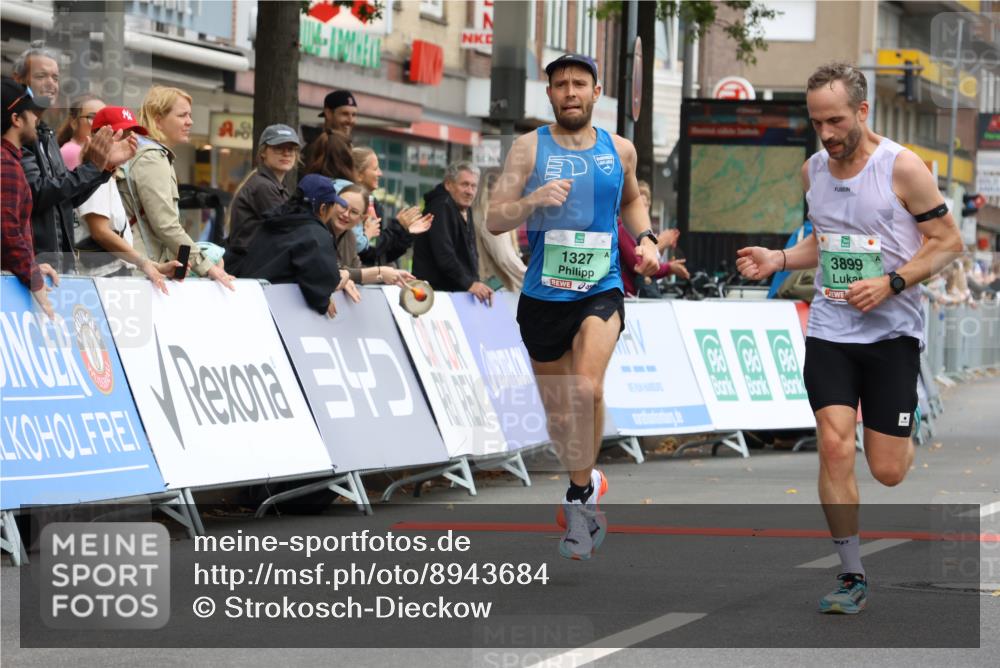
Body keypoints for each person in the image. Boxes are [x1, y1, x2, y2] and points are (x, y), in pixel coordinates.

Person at [735, 63, 963, 613]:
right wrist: (780, 258)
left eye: (836, 120)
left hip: (892, 334)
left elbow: (948, 241)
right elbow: (824, 240)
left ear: (863, 111)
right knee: (835, 445)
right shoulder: (815, 170)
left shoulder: (903, 168)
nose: (828, 133)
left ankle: (904, 423)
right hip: (832, 329)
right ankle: (851, 574)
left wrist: (891, 282)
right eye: (818, 123)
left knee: (887, 469)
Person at [487, 53, 659, 560]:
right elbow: (495, 219)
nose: (569, 92)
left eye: (578, 83)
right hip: (543, 295)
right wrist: (533, 200)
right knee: (562, 419)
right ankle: (587, 483)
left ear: (595, 91)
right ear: (550, 94)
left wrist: (646, 238)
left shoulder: (619, 149)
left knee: (585, 387)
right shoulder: (527, 147)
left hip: (600, 287)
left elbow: (631, 201)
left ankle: (578, 502)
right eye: (560, 84)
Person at [13, 42, 135, 269]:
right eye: (41, 76)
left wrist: (103, 169)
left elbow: (66, 198)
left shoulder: (46, 133)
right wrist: (94, 167)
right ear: (19, 80)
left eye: (56, 78)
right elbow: (38, 193)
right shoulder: (15, 133)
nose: (51, 84)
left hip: (59, 268)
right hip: (31, 269)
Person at [119, 85, 234, 290]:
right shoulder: (152, 157)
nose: (190, 121)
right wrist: (207, 266)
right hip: (141, 273)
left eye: (189, 115)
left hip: (139, 268)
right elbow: (166, 225)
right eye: (182, 115)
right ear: (158, 120)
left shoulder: (144, 151)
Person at [239, 174, 359, 318]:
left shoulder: (273, 220)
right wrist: (326, 298)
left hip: (244, 303)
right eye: (333, 205)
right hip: (273, 316)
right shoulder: (315, 235)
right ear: (322, 208)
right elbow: (323, 285)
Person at [1, 77, 59, 318]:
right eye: (31, 112)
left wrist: (31, 266)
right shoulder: (5, 163)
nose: (37, 118)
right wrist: (34, 278)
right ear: (16, 119)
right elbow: (7, 230)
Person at [226, 124, 302, 276]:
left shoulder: (270, 183)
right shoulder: (263, 186)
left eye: (291, 149)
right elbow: (290, 231)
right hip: (250, 269)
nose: (286, 153)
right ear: (263, 153)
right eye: (279, 148)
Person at [413, 160, 494, 304]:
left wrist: (473, 282)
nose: (469, 191)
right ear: (448, 185)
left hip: (454, 294)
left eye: (473, 186)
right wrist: (470, 284)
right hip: (434, 297)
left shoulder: (463, 207)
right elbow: (444, 255)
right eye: (464, 184)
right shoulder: (441, 206)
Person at [353, 145, 433, 267]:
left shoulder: (374, 204)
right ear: (359, 175)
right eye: (375, 169)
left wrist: (406, 232)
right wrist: (398, 227)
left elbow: (383, 254)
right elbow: (369, 251)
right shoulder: (353, 204)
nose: (380, 173)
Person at [302, 129, 376, 254]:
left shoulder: (308, 183)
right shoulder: (350, 191)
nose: (346, 214)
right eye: (342, 205)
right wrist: (368, 234)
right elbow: (357, 243)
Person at [332, 184, 417, 288]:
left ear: (361, 219)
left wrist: (393, 275)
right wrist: (380, 272)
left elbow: (357, 269)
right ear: (332, 204)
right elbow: (334, 271)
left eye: (354, 212)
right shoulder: (318, 230)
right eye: (342, 206)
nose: (345, 214)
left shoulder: (349, 236)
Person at [472, 170, 527, 291]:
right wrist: (536, 283)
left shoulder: (481, 213)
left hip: (490, 289)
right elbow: (506, 260)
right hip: (497, 291)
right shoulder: (492, 218)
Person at [303, 89, 358, 157]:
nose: (350, 120)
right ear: (328, 113)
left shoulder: (345, 147)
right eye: (345, 114)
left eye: (354, 115)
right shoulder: (317, 148)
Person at [56, 93, 103, 170]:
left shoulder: (95, 152)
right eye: (92, 117)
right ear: (74, 123)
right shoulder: (72, 151)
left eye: (104, 119)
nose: (100, 125)